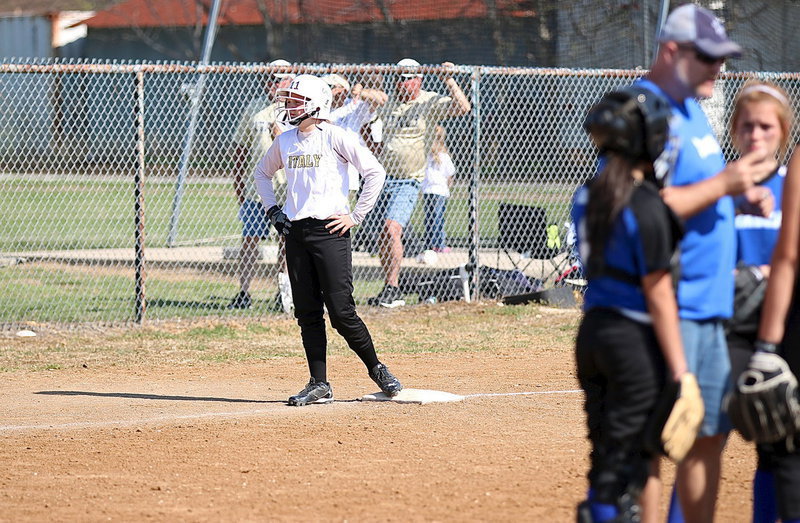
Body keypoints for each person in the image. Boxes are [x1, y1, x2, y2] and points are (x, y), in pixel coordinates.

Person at [639, 5, 779, 522]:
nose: (719, 70)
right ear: (672, 51)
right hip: (670, 306)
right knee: (655, 442)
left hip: (710, 303)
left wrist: (735, 199)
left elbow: (690, 193)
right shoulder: (643, 108)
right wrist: (725, 184)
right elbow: (640, 207)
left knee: (708, 435)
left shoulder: (693, 106)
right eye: (709, 58)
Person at [573, 86, 692, 523]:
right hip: (632, 341)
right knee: (631, 463)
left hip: (593, 333)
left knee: (606, 454)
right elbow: (659, 292)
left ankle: (600, 509)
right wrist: (682, 372)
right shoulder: (643, 203)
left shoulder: (588, 194)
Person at [252, 74, 403, 406]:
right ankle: (319, 383)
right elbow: (262, 174)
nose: (289, 106)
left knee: (341, 312)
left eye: (295, 101)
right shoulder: (286, 141)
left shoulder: (336, 135)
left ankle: (376, 368)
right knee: (307, 312)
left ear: (315, 105)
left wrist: (356, 215)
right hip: (295, 233)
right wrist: (273, 211)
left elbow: (375, 172)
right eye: (288, 100)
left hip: (331, 232)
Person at [729, 83, 797, 523]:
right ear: (734, 131)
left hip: (784, 320)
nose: (756, 135)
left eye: (766, 126)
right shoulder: (717, 185)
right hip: (734, 323)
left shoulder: (790, 183)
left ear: (784, 132)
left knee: (782, 437)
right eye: (747, 126)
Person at [367, 58, 471, 308]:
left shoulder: (428, 101)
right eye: (399, 78)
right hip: (383, 178)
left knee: (392, 229)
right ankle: (389, 285)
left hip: (408, 180)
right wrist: (365, 86)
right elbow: (367, 96)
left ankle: (393, 287)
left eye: (408, 78)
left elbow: (463, 107)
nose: (402, 83)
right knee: (382, 235)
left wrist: (448, 79)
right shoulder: (388, 102)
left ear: (419, 80)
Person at [228, 58, 295, 312]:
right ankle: (244, 292)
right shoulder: (254, 109)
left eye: (279, 79)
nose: (274, 84)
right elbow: (240, 149)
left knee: (286, 241)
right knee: (250, 240)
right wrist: (238, 186)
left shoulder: (295, 111)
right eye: (270, 79)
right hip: (258, 190)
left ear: (289, 81)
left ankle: (284, 293)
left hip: (286, 189)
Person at [323, 72, 388, 194]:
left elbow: (381, 99)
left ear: (342, 89)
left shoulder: (353, 106)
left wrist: (361, 92)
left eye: (332, 88)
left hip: (348, 169)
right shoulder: (321, 108)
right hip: (324, 168)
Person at [421, 125, 455, 253]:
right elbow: (450, 174)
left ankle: (431, 242)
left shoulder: (427, 154)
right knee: (437, 217)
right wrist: (448, 187)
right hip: (439, 190)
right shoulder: (443, 156)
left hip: (428, 190)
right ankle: (438, 243)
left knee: (430, 217)